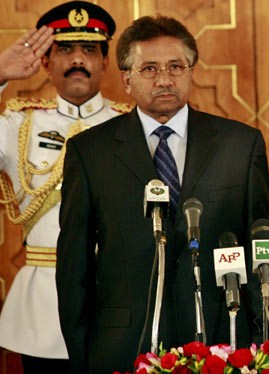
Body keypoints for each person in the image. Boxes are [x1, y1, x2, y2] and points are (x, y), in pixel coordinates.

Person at [56, 15, 269, 374]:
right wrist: (81, 352)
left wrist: (263, 342)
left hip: (222, 338)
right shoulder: (89, 152)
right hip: (123, 343)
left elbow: (260, 248)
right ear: (126, 79)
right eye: (149, 68)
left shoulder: (240, 145)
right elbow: (74, 265)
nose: (164, 79)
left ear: (192, 71)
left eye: (175, 66)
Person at [0, 1, 131, 373]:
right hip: (44, 306)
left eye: (89, 50)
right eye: (65, 50)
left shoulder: (131, 126)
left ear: (106, 61)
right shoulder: (18, 123)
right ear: (45, 62)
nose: (78, 60)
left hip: (117, 297)